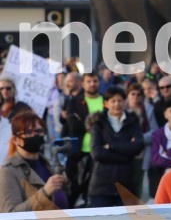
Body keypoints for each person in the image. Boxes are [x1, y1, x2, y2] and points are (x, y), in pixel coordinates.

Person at [88, 87, 145, 208]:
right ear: (106, 103)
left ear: (124, 102)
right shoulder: (98, 122)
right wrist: (126, 155)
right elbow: (97, 152)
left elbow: (137, 146)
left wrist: (111, 146)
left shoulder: (133, 121)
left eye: (119, 100)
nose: (116, 104)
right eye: (113, 101)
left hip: (127, 183)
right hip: (101, 185)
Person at [0, 112, 68, 212]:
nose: (35, 135)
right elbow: (11, 214)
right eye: (28, 132)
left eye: (39, 131)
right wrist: (44, 192)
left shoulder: (45, 163)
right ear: (16, 139)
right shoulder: (8, 171)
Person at [63, 73, 103, 207]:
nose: (92, 84)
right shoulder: (73, 102)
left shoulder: (106, 101)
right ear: (83, 84)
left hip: (99, 151)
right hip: (78, 151)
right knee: (72, 188)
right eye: (89, 81)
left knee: (92, 188)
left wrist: (85, 122)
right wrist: (95, 124)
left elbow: (106, 128)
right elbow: (73, 126)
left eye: (95, 80)